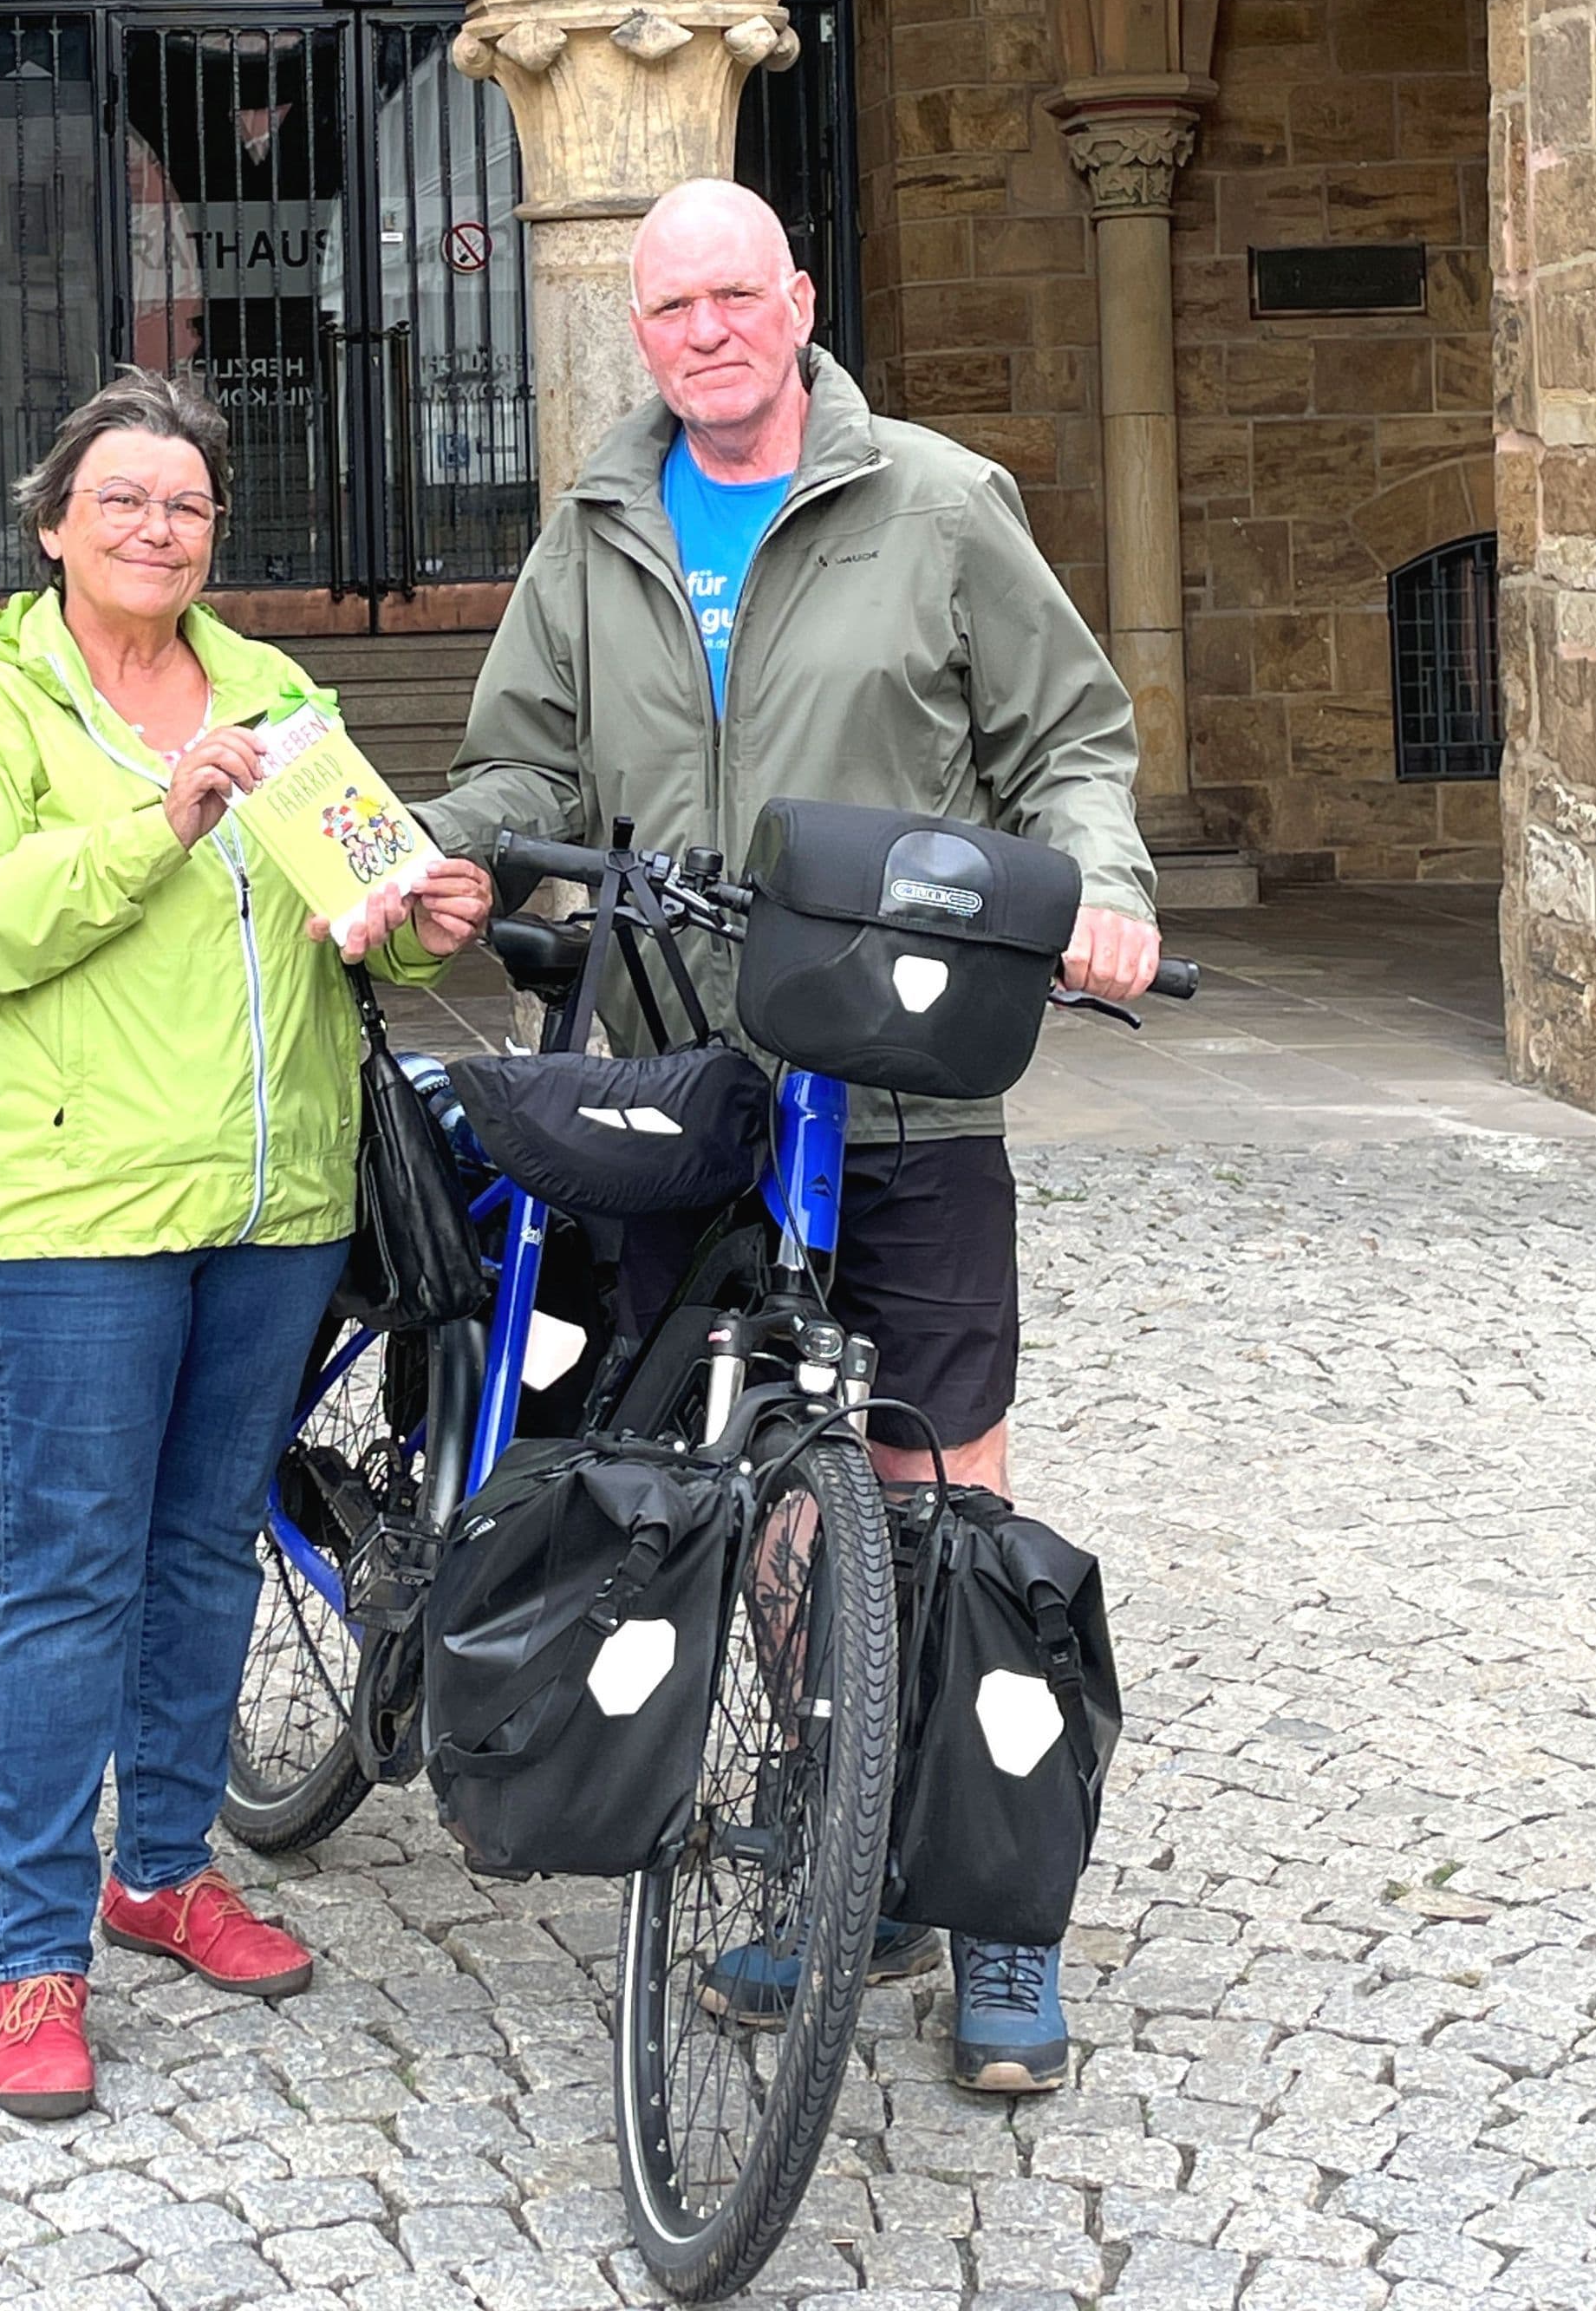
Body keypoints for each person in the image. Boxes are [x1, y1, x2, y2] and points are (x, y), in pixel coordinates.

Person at [391, 177, 1158, 2097]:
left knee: (942, 1489)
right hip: (690, 1077)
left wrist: (1105, 885)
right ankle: (843, 1864)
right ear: (642, 331)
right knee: (773, 1495)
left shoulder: (939, 502)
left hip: (897, 1075)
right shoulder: (598, 528)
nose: (709, 330)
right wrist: (460, 849)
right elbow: (523, 756)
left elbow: (1071, 736)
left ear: (798, 299)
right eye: (674, 307)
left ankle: (1001, 1919)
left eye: (739, 294)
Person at [0, 370, 492, 2123]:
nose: (160, 527)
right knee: (71, 1564)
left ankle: (162, 1861)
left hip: (276, 1201)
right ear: (55, 522)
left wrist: (426, 915)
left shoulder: (279, 694)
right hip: (71, 1214)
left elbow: (357, 931)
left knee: (211, 1541)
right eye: (124, 499)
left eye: (191, 505)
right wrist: (158, 819)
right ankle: (37, 1948)